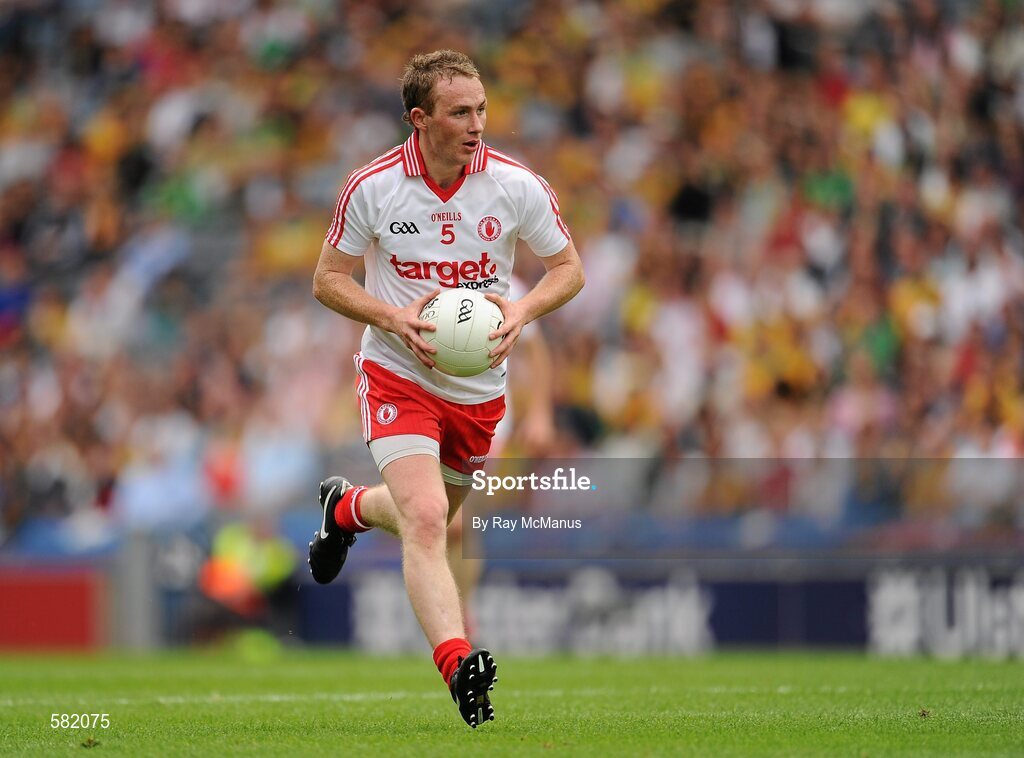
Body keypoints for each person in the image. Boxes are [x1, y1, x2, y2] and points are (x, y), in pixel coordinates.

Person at [307, 50, 584, 728]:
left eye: (482, 110)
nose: (477, 124)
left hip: (477, 390)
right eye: (461, 112)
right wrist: (391, 316)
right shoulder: (371, 187)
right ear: (419, 118)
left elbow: (569, 269)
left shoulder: (516, 185)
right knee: (432, 519)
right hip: (397, 374)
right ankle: (461, 666)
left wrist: (521, 312)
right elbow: (327, 279)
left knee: (426, 514)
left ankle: (346, 511)